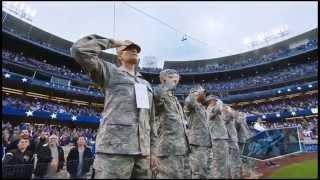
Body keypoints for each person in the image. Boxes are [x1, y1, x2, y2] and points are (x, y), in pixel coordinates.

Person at [71, 34, 154, 178]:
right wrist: (114, 42)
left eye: (136, 49)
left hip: (143, 153)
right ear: (119, 55)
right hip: (114, 150)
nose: (134, 50)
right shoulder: (110, 71)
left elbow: (151, 119)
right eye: (128, 48)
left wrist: (153, 151)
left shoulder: (146, 84)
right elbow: (79, 50)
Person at [152, 69, 190, 179]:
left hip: (182, 148)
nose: (176, 80)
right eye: (172, 77)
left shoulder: (173, 98)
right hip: (168, 149)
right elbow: (157, 96)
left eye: (177, 77)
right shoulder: (159, 93)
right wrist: (167, 83)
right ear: (163, 79)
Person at [184, 86, 212, 179]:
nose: (205, 95)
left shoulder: (201, 107)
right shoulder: (192, 105)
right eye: (203, 93)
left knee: (205, 170)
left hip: (205, 143)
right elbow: (188, 101)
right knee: (198, 171)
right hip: (198, 143)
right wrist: (195, 94)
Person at [205, 95, 229, 179]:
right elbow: (217, 109)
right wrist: (220, 102)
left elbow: (225, 117)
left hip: (221, 137)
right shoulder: (210, 109)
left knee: (223, 161)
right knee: (219, 161)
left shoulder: (215, 109)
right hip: (217, 138)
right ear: (210, 101)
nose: (216, 101)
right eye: (214, 100)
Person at [235, 112, 262, 178]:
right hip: (242, 141)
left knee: (249, 157)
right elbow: (237, 126)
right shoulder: (237, 122)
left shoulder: (243, 122)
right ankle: (249, 174)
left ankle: (249, 173)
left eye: (243, 116)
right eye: (241, 115)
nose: (244, 117)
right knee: (246, 158)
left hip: (246, 140)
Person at [223, 105, 241, 179]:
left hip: (233, 140)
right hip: (229, 141)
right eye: (227, 108)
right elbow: (233, 114)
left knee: (235, 160)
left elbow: (238, 123)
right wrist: (229, 110)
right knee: (232, 161)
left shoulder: (229, 117)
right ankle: (233, 176)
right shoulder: (225, 116)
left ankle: (235, 176)